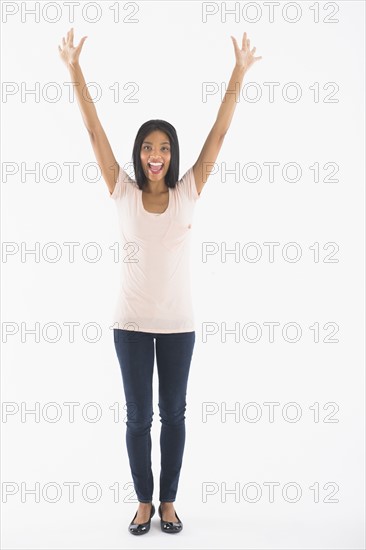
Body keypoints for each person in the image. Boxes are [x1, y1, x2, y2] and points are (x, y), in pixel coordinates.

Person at [58, 27, 262, 535]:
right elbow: (93, 132)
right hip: (130, 324)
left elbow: (218, 134)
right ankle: (143, 502)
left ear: (172, 155)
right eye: (149, 146)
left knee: (174, 415)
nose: (156, 154)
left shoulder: (190, 190)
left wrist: (238, 72)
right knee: (137, 419)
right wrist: (74, 69)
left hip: (178, 325)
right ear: (138, 153)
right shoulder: (122, 192)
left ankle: (168, 502)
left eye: (165, 147)